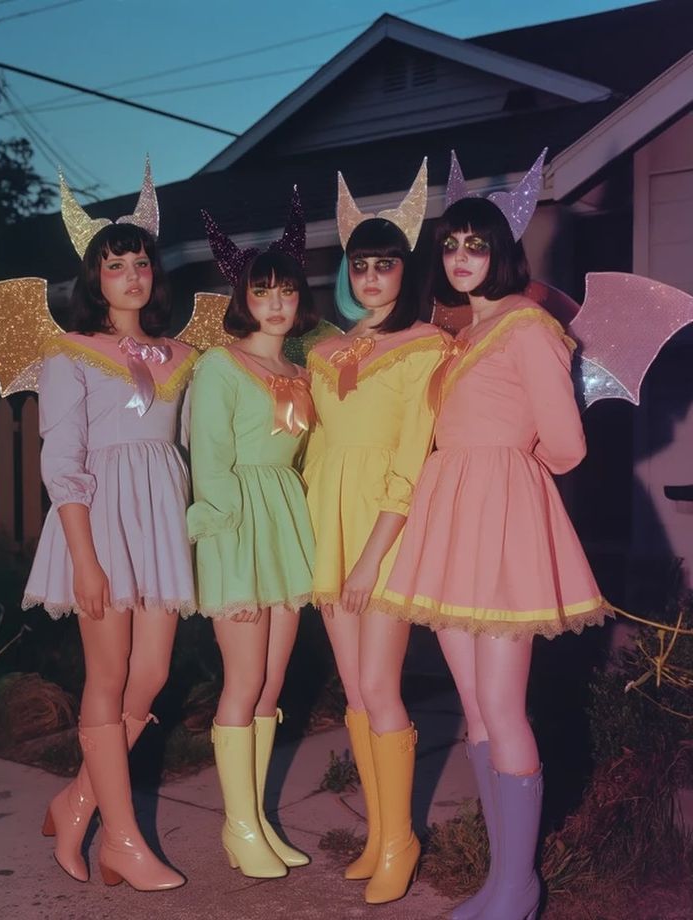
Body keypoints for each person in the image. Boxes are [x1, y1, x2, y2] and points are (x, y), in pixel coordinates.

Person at [381, 152, 611, 920]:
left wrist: (510, 476)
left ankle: (519, 887)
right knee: (475, 706)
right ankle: (496, 880)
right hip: (452, 520)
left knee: (504, 707)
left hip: (499, 515)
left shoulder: (529, 325)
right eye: (450, 246)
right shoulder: (459, 334)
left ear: (502, 252)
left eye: (475, 245)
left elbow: (568, 443)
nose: (461, 258)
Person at [24, 166, 195, 890]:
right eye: (114, 264)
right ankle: (120, 840)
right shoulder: (69, 353)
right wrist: (84, 560)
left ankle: (77, 800)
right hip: (96, 526)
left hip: (157, 526)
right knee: (110, 674)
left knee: (151, 675)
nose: (131, 274)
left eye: (140, 262)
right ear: (95, 278)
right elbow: (61, 459)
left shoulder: (185, 356)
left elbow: (187, 448)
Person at [304, 161, 445, 904]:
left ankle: (402, 840)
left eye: (385, 264)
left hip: (381, 539)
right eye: (360, 265)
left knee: (382, 687)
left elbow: (409, 458)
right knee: (355, 692)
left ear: (405, 270)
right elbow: (321, 450)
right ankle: (379, 832)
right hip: (332, 534)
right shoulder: (324, 353)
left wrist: (368, 560)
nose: (371, 277)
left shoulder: (425, 346)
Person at [189, 191, 318, 878]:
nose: (274, 303)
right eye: (261, 291)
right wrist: (226, 562)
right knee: (241, 681)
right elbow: (209, 466)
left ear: (300, 300)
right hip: (237, 527)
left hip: (283, 525)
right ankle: (237, 829)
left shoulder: (298, 371)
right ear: (244, 298)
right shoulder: (219, 366)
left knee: (271, 683)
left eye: (285, 291)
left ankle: (260, 819)